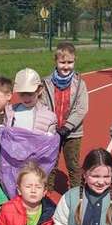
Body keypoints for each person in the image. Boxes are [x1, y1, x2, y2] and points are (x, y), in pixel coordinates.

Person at [39, 43, 89, 190]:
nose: (66, 66)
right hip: (52, 131)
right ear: (55, 61)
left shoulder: (80, 84)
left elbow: (82, 108)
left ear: (75, 61)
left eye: (70, 62)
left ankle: (76, 192)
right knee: (50, 163)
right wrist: (51, 126)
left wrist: (67, 127)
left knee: (73, 164)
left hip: (72, 133)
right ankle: (47, 191)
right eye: (62, 62)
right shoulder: (46, 83)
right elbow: (42, 105)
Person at [6, 68, 57, 134]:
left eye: (30, 94)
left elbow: (50, 138)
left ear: (39, 90)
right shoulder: (10, 111)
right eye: (22, 94)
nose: (26, 98)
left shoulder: (48, 117)